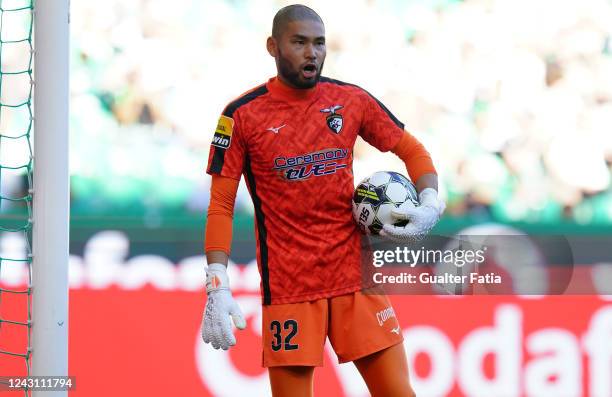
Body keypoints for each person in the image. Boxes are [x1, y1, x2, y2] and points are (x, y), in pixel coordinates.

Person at [201, 4, 445, 396]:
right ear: (273, 46)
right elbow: (221, 206)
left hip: (353, 278)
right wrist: (217, 283)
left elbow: (412, 150)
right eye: (299, 42)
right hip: (290, 287)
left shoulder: (349, 100)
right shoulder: (241, 116)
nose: (311, 52)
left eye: (318, 43)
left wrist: (430, 199)